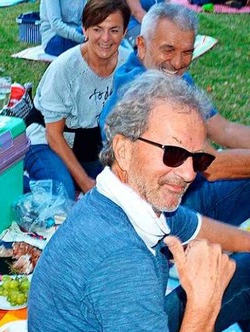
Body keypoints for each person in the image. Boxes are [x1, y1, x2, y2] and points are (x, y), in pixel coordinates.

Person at [29, 71, 250, 332]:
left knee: (246, 270)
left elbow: (193, 226)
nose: (190, 173)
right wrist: (203, 306)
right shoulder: (121, 259)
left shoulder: (124, 197)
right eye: (175, 153)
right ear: (124, 149)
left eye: (199, 158)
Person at [100, 2, 250, 226]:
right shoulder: (141, 92)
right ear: (142, 46)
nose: (179, 63)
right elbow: (212, 166)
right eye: (168, 50)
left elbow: (223, 128)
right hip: (159, 215)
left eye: (187, 52)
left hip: (180, 194)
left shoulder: (169, 76)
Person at [25, 0, 131, 199]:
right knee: (60, 193)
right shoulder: (65, 69)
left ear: (125, 32)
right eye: (97, 29)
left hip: (91, 146)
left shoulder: (129, 66)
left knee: (123, 193)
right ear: (84, 30)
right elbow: (53, 135)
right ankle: (10, 180)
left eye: (114, 30)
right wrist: (85, 183)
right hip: (48, 139)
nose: (105, 38)